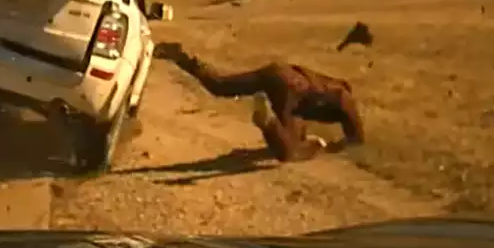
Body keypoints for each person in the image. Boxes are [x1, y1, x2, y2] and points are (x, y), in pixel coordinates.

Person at [156, 43, 365, 162]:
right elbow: (357, 140)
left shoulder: (326, 88)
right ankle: (267, 121)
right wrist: (328, 147)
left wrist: (306, 139)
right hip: (291, 88)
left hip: (278, 73)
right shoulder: (344, 99)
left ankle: (182, 57)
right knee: (288, 153)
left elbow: (301, 118)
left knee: (220, 85)